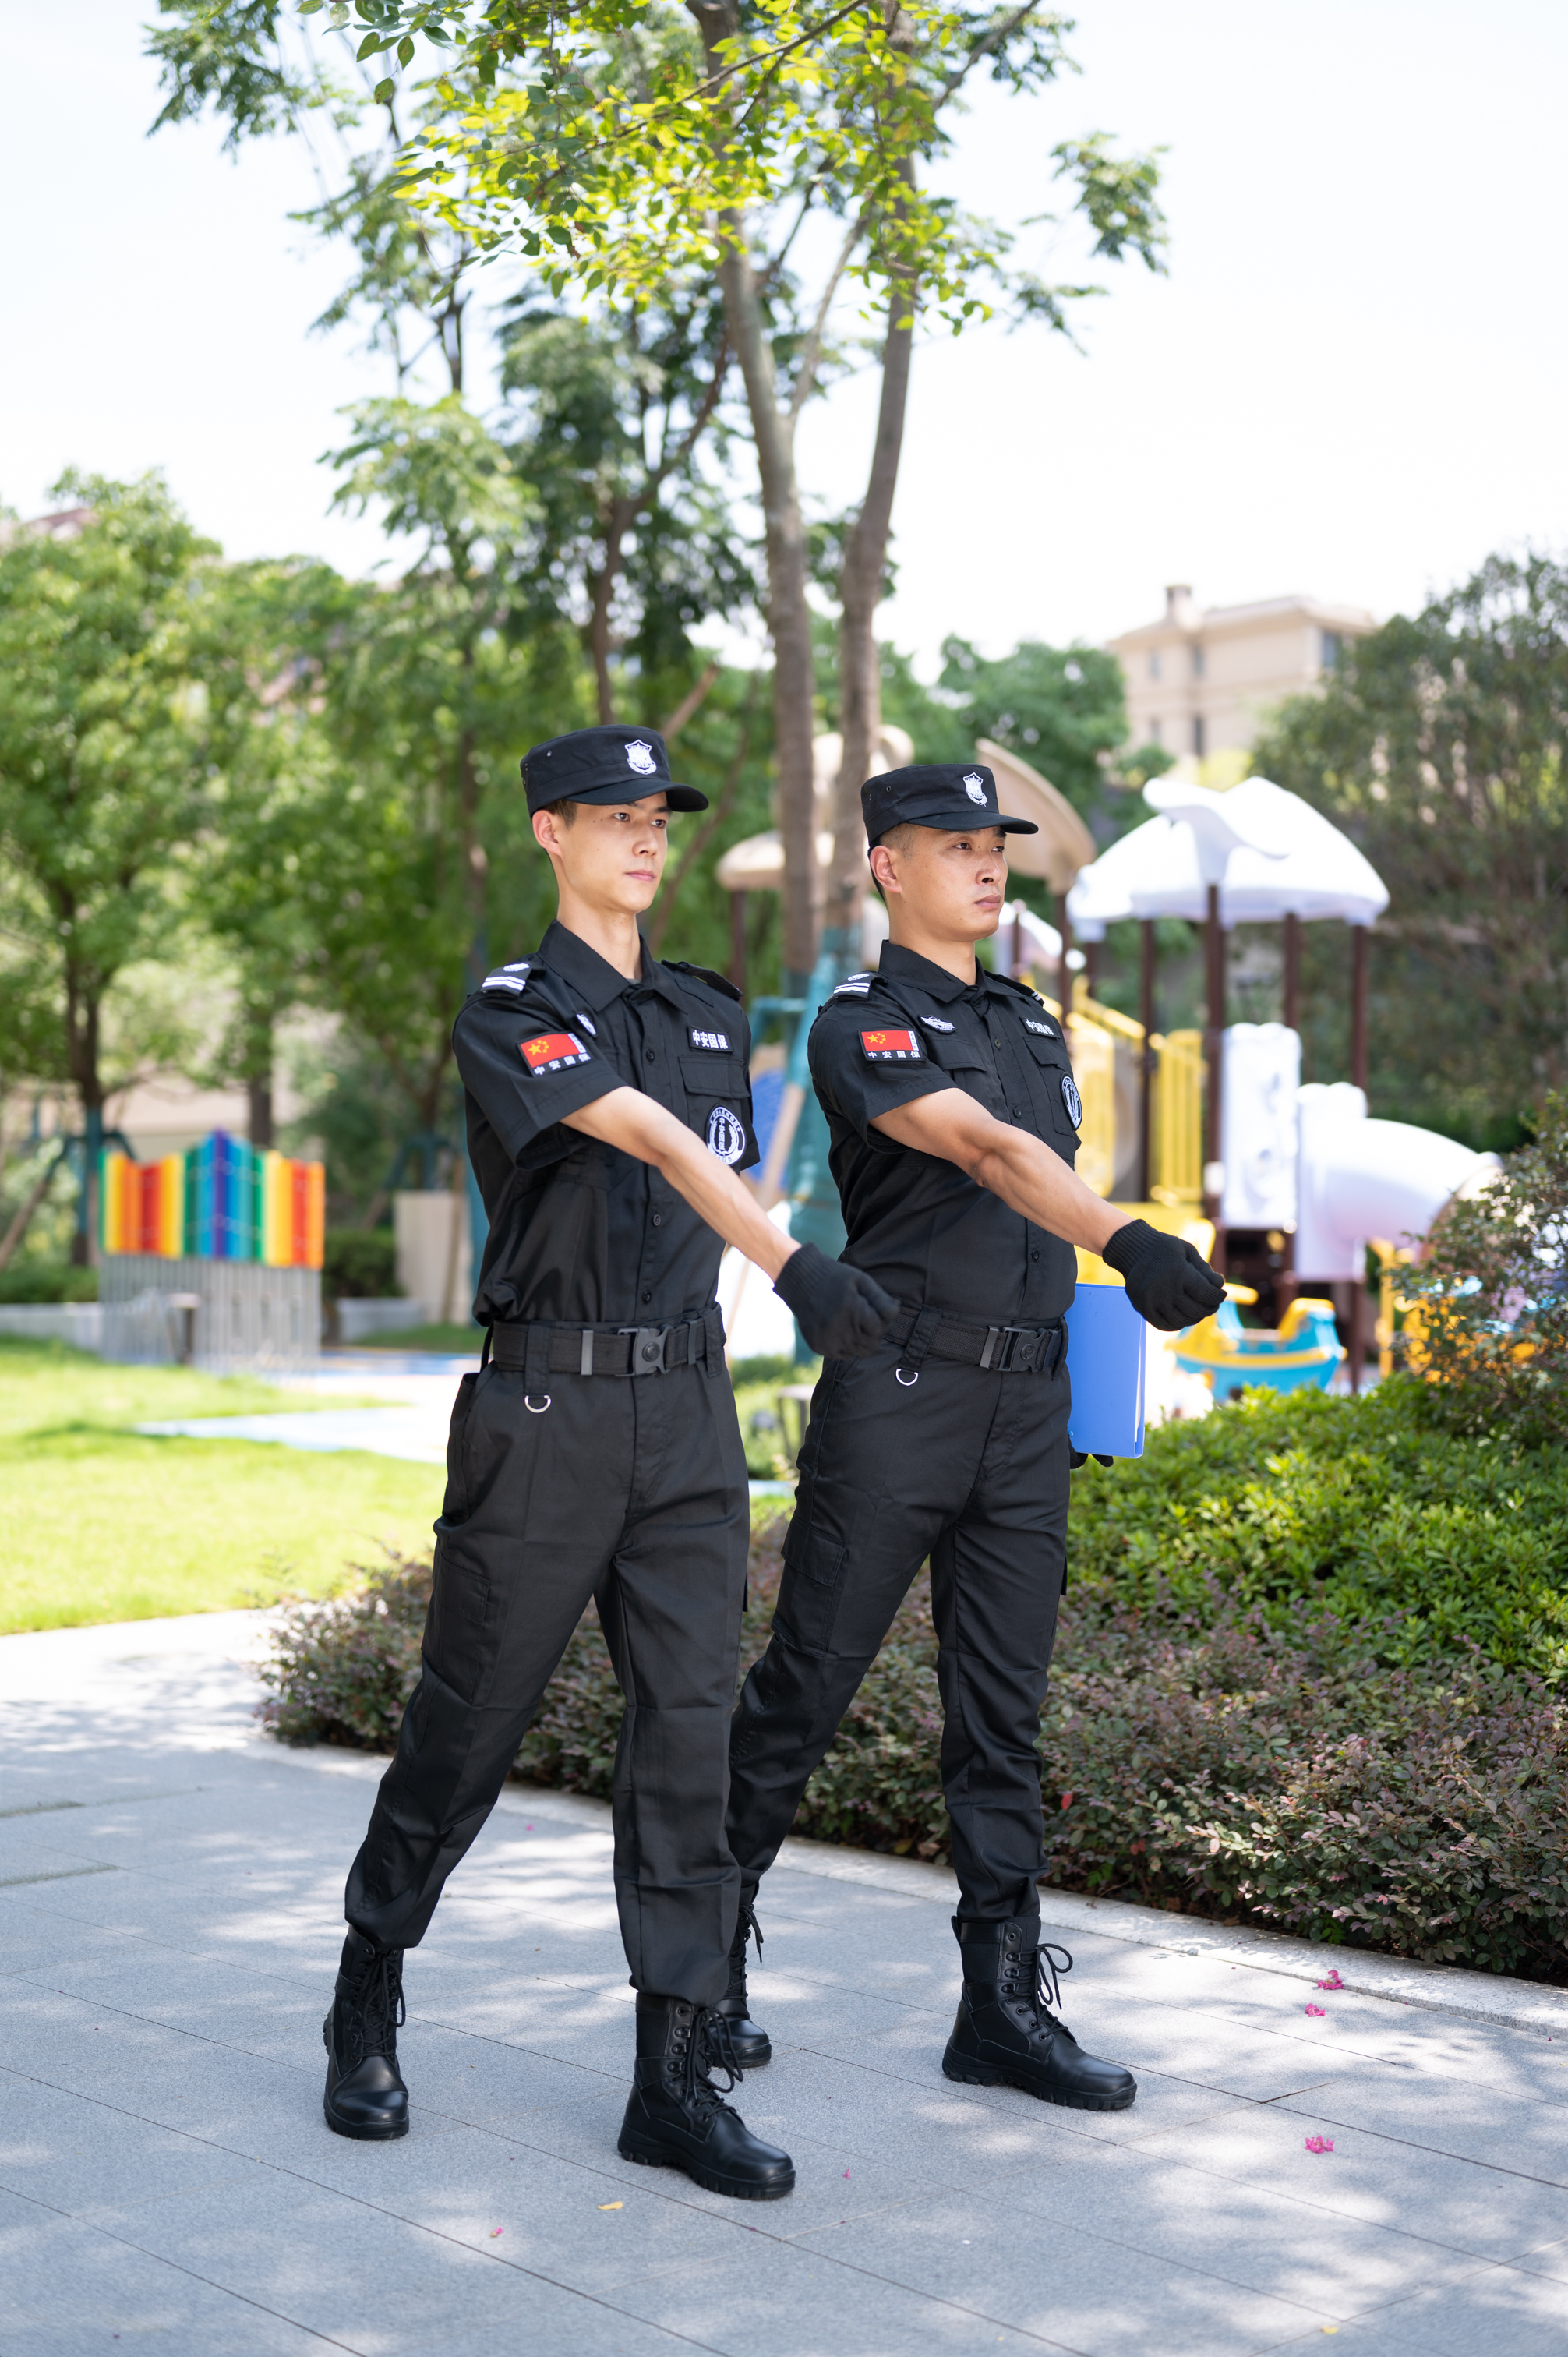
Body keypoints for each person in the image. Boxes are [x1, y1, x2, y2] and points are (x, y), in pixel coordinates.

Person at [321, 723, 897, 2201]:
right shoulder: (511, 1010)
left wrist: (780, 1254)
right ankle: (370, 1981)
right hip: (547, 1414)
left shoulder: (707, 1011)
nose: (646, 838)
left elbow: (722, 1164)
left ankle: (673, 2076)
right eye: (615, 816)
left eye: (659, 818)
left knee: (691, 1739)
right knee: (469, 1722)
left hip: (687, 1415)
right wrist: (795, 1266)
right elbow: (647, 1138)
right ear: (549, 834)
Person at [721, 762, 1225, 2111]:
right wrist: (1128, 1239)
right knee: (804, 1688)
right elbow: (989, 1151)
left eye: (995, 843)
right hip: (901, 1397)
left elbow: (1034, 1175)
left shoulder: (1030, 1020)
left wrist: (1096, 1301)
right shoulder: (860, 1024)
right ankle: (697, 1969)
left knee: (1003, 1717)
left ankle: (999, 2007)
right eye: (954, 845)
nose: (988, 862)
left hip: (1026, 1409)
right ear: (889, 867)